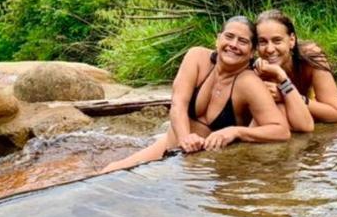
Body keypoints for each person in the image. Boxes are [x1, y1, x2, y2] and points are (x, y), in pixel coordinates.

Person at [101, 16, 290, 172]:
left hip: (207, 165)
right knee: (110, 171)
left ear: (251, 52)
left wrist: (236, 131)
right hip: (171, 145)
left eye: (243, 41)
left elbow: (280, 130)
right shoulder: (197, 58)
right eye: (229, 37)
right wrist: (185, 138)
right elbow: (178, 104)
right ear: (218, 39)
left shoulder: (248, 82)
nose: (233, 45)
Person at [253, 9, 337, 131]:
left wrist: (287, 94)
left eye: (277, 41)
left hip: (307, 111)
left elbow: (335, 113)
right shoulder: (257, 69)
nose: (269, 49)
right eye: (262, 42)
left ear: (291, 40)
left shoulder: (311, 57)